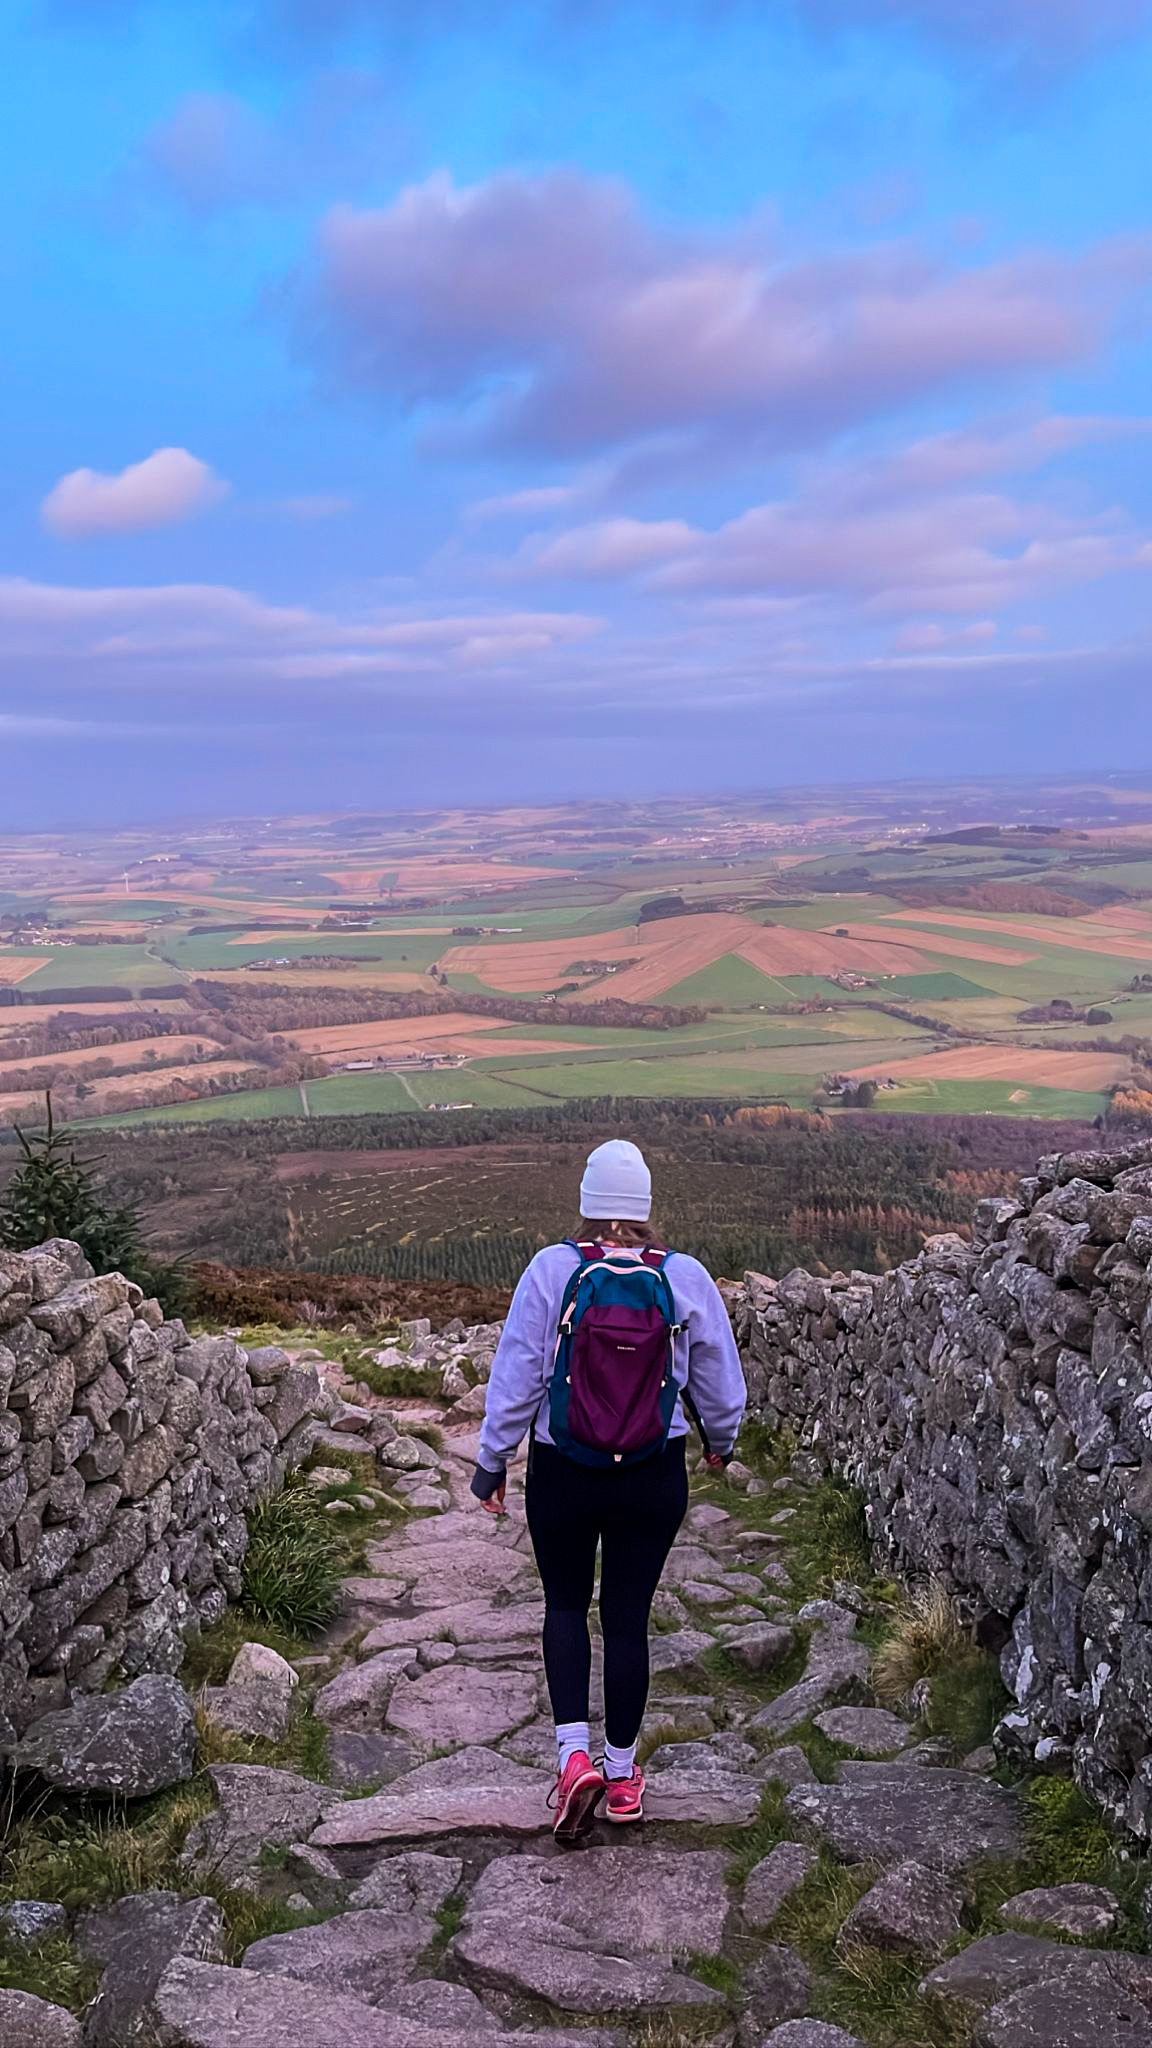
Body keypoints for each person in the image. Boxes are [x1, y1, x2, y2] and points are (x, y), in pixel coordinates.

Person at [470, 1137, 747, 1840]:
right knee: (627, 1617)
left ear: (588, 1202)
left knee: (565, 1604)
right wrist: (721, 1442)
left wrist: (493, 1460)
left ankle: (572, 1761)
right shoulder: (683, 1275)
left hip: (564, 1467)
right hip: (653, 1471)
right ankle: (623, 1777)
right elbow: (719, 1377)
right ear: (645, 1206)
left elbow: (521, 1371)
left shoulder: (551, 1270)